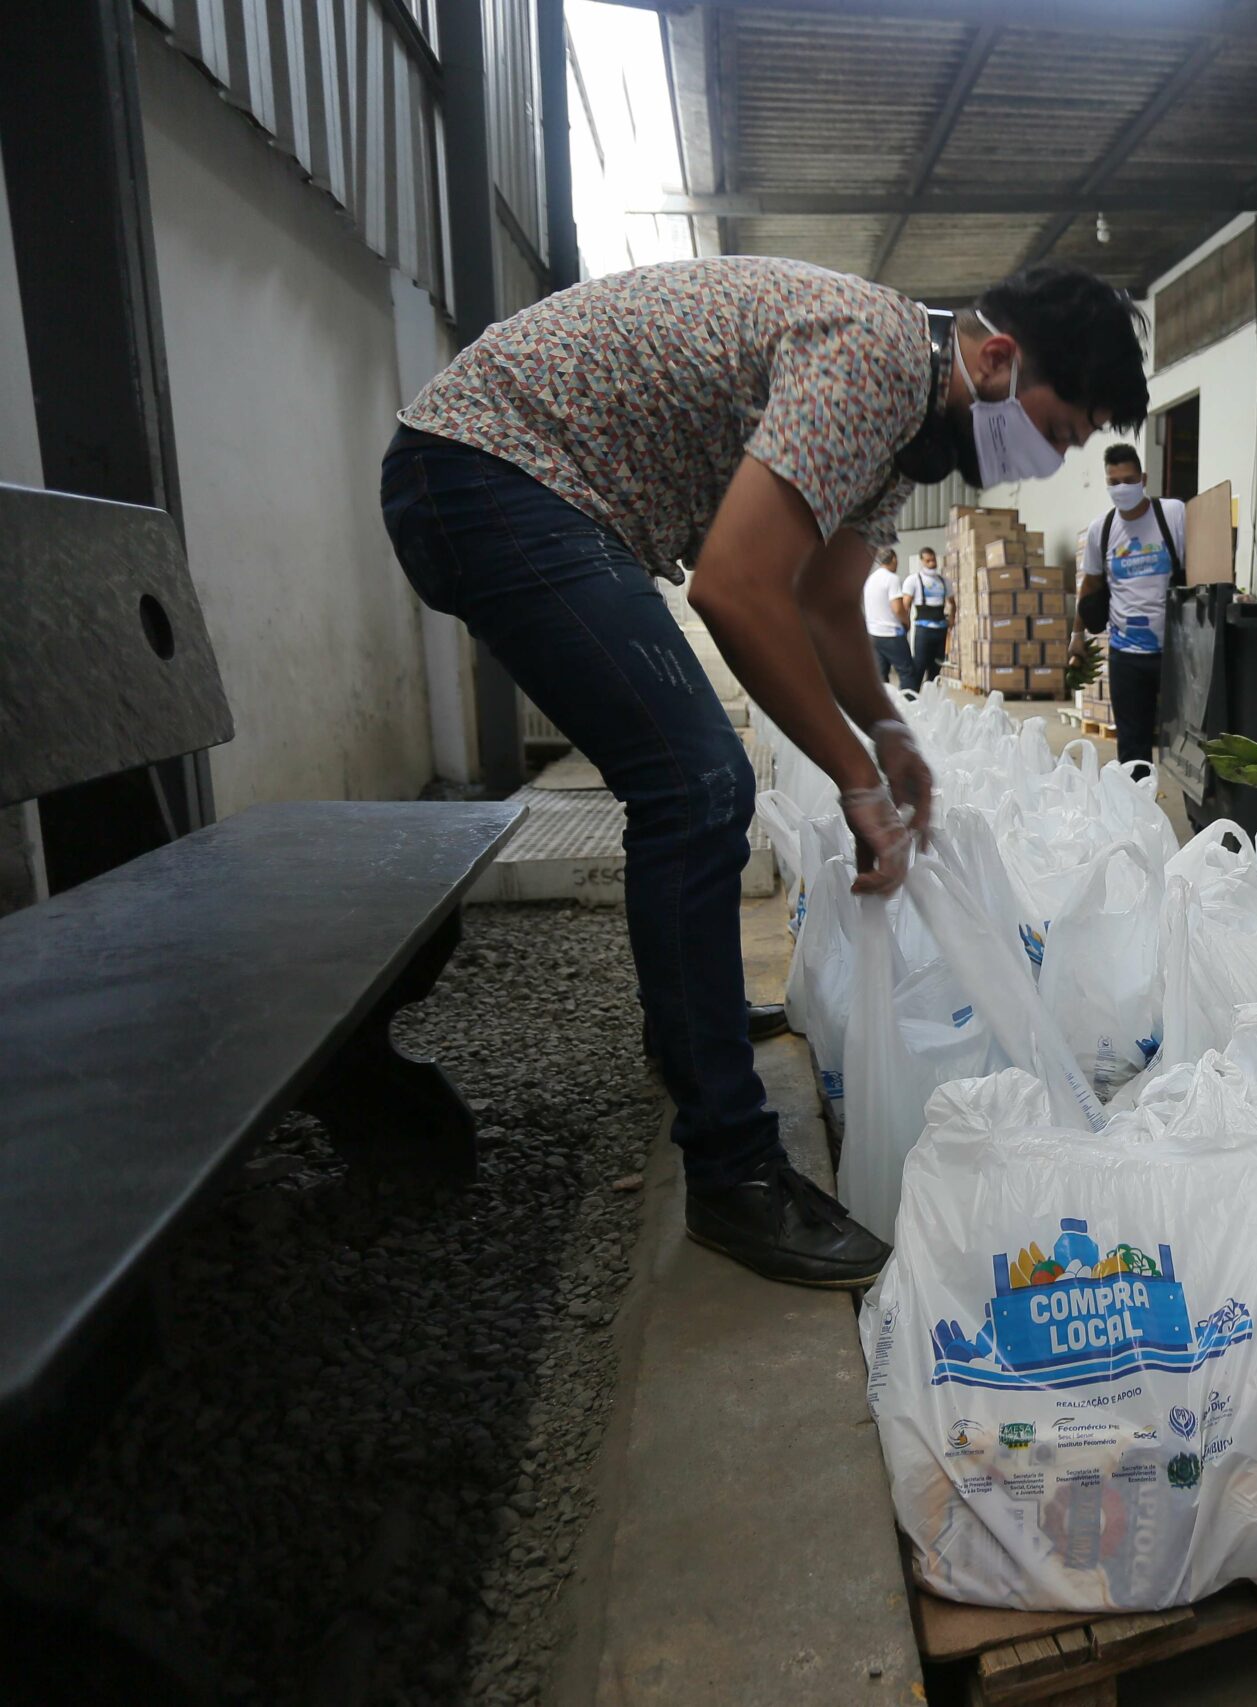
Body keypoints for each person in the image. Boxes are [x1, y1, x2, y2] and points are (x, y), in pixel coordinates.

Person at [381, 256, 1146, 1288]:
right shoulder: (874, 355)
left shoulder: (904, 437)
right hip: (487, 466)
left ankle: (686, 1031)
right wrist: (855, 782)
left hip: (527, 483)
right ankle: (733, 1173)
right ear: (999, 359)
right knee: (698, 785)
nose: (1047, 460)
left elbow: (828, 606)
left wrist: (890, 734)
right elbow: (739, 591)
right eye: (1056, 430)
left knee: (691, 781)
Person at [1077, 443, 1186, 766]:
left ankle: (1197, 816)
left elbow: (1202, 568)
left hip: (1175, 653)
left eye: (1128, 479)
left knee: (1185, 741)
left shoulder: (1172, 514)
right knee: (1131, 744)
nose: (1122, 488)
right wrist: (1075, 637)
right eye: (1114, 482)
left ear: (1144, 478)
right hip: (1126, 654)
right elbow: (1091, 583)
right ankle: (1135, 812)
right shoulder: (1103, 529)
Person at [867, 547, 918, 691]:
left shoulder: (870, 579)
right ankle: (909, 707)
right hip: (891, 633)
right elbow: (897, 608)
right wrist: (906, 621)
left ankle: (882, 706)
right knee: (907, 672)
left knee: (880, 674)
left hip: (873, 634)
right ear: (894, 559)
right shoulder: (892, 579)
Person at [903, 544, 953, 683]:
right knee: (919, 666)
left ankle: (931, 698)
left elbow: (952, 603)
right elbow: (905, 605)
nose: (932, 564)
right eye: (928, 561)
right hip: (923, 630)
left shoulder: (944, 581)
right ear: (922, 561)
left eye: (933, 560)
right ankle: (912, 700)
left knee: (936, 668)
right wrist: (904, 624)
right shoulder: (913, 580)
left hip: (940, 630)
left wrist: (952, 620)